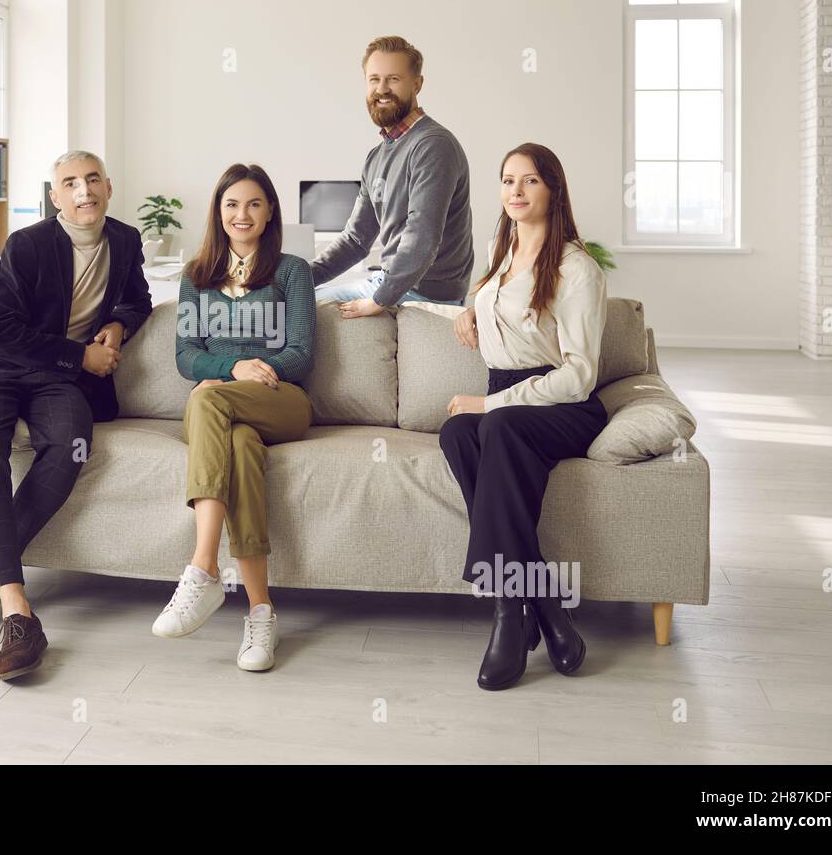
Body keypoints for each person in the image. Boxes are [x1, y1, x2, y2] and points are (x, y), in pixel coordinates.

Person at [0, 150, 153, 680]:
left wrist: (119, 327)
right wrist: (80, 354)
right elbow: (1, 331)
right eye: (70, 183)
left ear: (109, 185)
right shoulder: (28, 244)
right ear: (55, 196)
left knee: (70, 445)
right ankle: (18, 611)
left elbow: (139, 297)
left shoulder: (125, 239)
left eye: (92, 180)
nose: (83, 191)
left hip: (56, 381)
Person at [437, 142, 608, 691]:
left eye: (529, 181)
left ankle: (510, 617)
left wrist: (491, 404)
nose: (515, 190)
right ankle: (547, 604)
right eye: (508, 180)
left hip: (564, 406)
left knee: (494, 424)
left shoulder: (578, 269)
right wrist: (471, 309)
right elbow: (498, 305)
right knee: (458, 433)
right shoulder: (500, 249)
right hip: (507, 404)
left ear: (553, 190)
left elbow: (579, 374)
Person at [153, 163, 316, 672]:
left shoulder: (291, 271)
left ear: (269, 213)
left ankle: (202, 569)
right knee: (241, 447)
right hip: (226, 413)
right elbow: (186, 356)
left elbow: (301, 354)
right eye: (231, 204)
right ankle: (261, 613)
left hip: (282, 401)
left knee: (205, 399)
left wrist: (246, 374)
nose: (241, 214)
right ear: (218, 212)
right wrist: (231, 366)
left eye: (252, 204)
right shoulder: (196, 275)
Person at [311, 34, 474, 318]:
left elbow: (422, 235)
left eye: (393, 79)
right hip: (391, 284)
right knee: (292, 299)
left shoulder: (433, 145)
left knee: (295, 310)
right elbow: (355, 240)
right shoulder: (376, 156)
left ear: (417, 84)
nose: (382, 89)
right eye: (374, 79)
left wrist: (380, 299)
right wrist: (295, 281)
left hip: (422, 292)